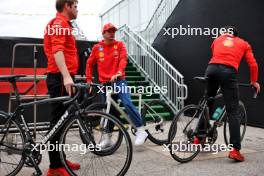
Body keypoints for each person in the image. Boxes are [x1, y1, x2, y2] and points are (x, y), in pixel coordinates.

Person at [195, 26, 260, 162]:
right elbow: (253, 65)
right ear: (236, 35)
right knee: (233, 111)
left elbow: (215, 54)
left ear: (225, 34)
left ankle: (198, 138)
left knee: (208, 102)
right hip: (228, 72)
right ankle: (235, 150)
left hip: (211, 69)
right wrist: (254, 81)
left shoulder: (218, 39)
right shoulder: (244, 43)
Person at [86, 23, 148, 146]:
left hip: (119, 80)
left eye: (113, 31)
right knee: (109, 111)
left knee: (127, 103)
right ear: (103, 33)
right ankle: (108, 138)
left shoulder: (119, 45)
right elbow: (89, 63)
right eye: (109, 31)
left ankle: (141, 130)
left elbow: (123, 59)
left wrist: (119, 72)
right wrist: (89, 80)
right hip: (105, 83)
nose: (112, 33)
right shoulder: (97, 48)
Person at [44, 0, 80, 175]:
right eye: (76, 5)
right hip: (60, 78)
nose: (77, 9)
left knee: (62, 122)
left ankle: (60, 159)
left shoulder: (61, 24)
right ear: (67, 5)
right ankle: (55, 167)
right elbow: (57, 50)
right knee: (57, 123)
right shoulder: (59, 24)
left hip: (61, 77)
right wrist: (66, 76)